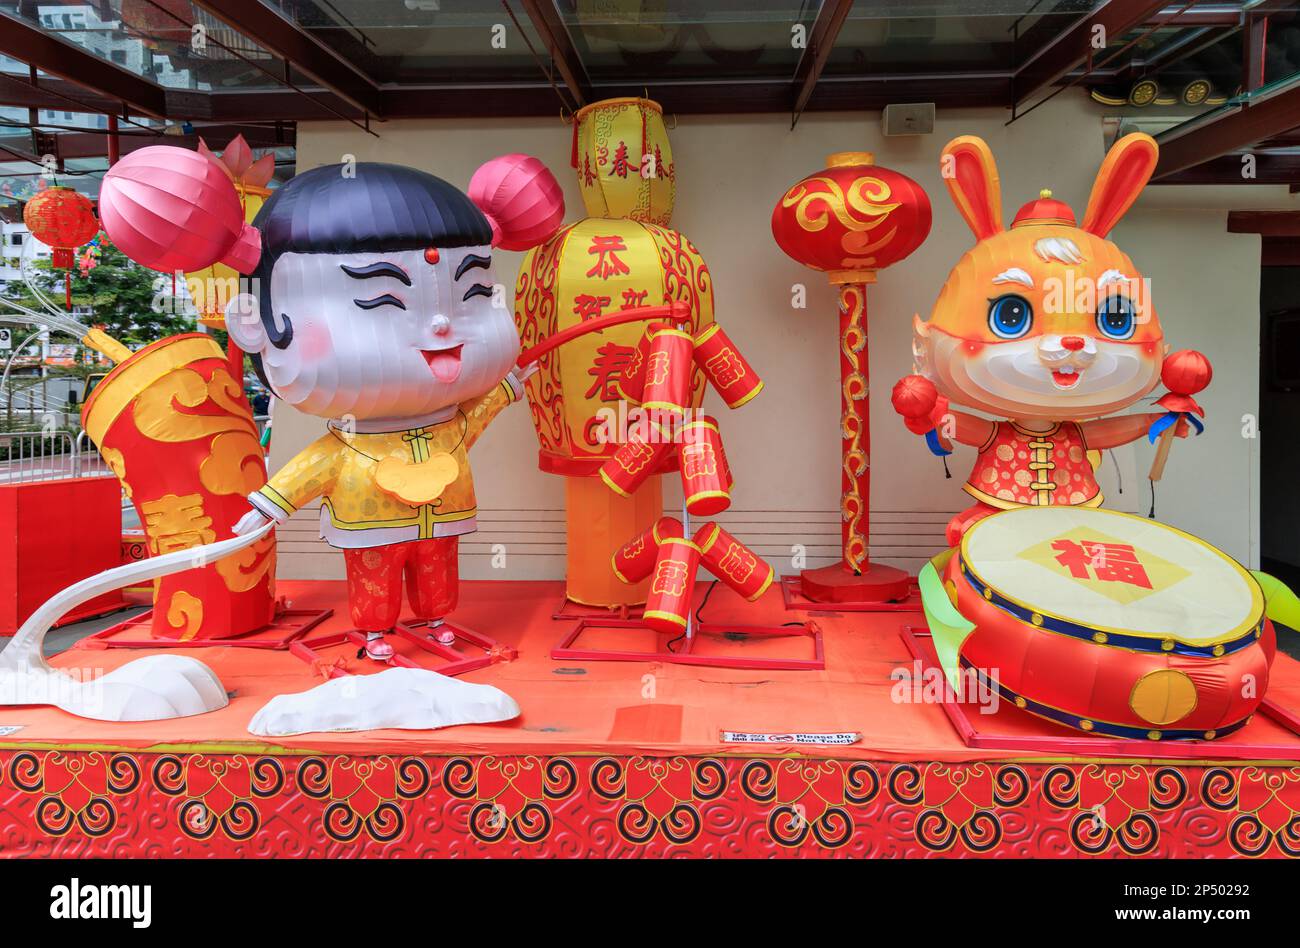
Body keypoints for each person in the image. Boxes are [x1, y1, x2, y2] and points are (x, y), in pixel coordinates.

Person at [228, 162, 553, 660]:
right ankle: (376, 630)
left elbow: (475, 417)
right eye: (381, 301)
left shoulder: (450, 423)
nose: (442, 323)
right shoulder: (349, 440)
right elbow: (315, 465)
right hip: (368, 521)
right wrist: (267, 507)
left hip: (440, 514)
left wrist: (508, 384)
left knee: (439, 566)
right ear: (255, 325)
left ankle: (437, 617)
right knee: (374, 574)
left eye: (474, 293)